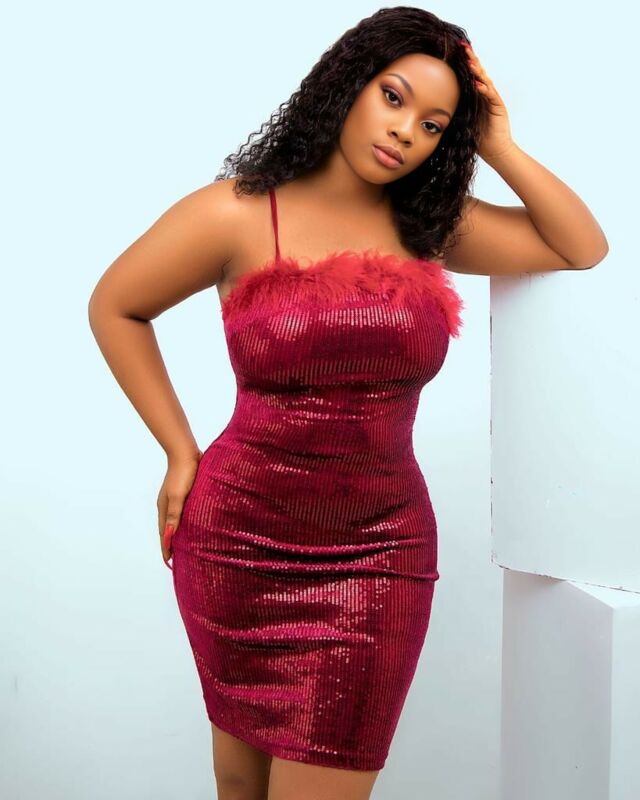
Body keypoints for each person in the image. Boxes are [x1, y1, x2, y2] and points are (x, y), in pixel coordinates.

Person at [87, 7, 608, 800]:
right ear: (349, 83)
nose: (406, 132)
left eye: (434, 125)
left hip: (379, 554)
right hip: (235, 542)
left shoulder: (429, 226)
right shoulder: (235, 213)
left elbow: (580, 246)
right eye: (394, 97)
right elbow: (117, 305)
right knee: (240, 788)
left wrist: (496, 143)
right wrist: (178, 451)